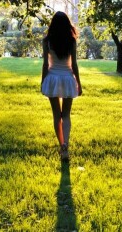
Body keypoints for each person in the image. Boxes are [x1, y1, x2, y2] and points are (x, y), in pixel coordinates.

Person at [41, 11, 82, 162]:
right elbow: (75, 65)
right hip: (67, 78)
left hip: (52, 78)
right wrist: (79, 83)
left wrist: (43, 81)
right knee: (66, 115)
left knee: (56, 115)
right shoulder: (71, 41)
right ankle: (66, 145)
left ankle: (62, 145)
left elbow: (45, 64)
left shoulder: (47, 41)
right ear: (67, 25)